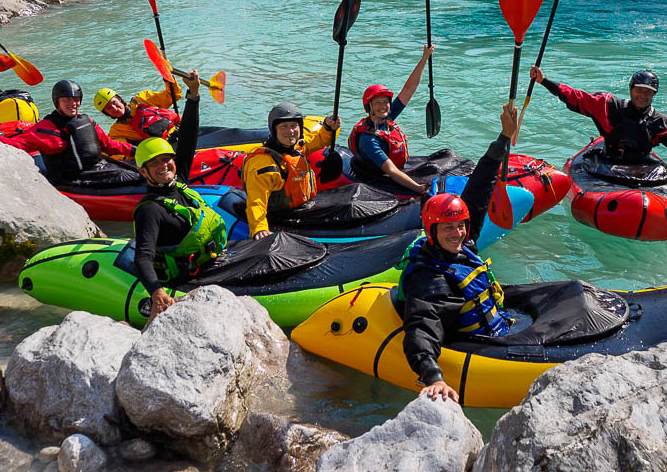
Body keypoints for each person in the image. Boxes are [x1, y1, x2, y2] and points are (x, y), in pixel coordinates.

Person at [400, 104, 519, 403]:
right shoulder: (430, 279)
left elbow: (479, 188)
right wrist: (434, 377)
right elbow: (421, 329)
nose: (458, 234)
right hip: (483, 343)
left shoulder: (463, 244)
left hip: (499, 320)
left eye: (461, 226)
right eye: (448, 229)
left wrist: (504, 137)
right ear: (432, 232)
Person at [116, 70, 221, 322]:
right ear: (144, 171)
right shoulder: (149, 210)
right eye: (155, 164)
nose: (164, 166)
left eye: (167, 160)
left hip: (210, 260)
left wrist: (193, 95)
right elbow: (143, 257)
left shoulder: (179, 180)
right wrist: (156, 292)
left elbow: (188, 138)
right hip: (187, 276)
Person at [527, 67, 667, 169]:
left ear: (654, 95)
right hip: (608, 162)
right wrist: (544, 81)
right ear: (630, 89)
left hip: (642, 166)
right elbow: (575, 96)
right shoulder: (608, 106)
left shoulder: (662, 123)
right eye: (639, 90)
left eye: (648, 92)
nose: (642, 95)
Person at [0, 79, 140, 187]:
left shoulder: (86, 120)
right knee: (134, 175)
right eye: (67, 100)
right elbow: (20, 143)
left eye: (76, 99)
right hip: (73, 178)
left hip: (99, 169)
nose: (73, 104)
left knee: (142, 166)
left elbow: (108, 145)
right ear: (57, 101)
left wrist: (138, 151)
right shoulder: (49, 127)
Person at [241, 103, 341, 239]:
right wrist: (259, 229)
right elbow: (256, 201)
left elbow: (320, 139)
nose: (290, 131)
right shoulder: (263, 164)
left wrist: (328, 127)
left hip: (302, 209)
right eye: (284, 127)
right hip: (281, 217)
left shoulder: (296, 148)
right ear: (274, 130)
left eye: (294, 126)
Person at [348, 44, 435, 193]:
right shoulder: (368, 140)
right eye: (377, 103)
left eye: (386, 102)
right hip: (379, 176)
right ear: (369, 107)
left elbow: (409, 88)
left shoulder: (387, 117)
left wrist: (424, 57)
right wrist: (419, 189)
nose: (383, 106)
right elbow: (391, 170)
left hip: (394, 167)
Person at [93, 82, 183, 144]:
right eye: (109, 108)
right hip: (166, 147)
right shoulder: (116, 132)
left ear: (119, 99)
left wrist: (167, 77)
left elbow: (174, 95)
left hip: (182, 130)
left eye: (114, 102)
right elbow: (115, 149)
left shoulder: (142, 99)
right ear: (107, 114)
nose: (115, 108)